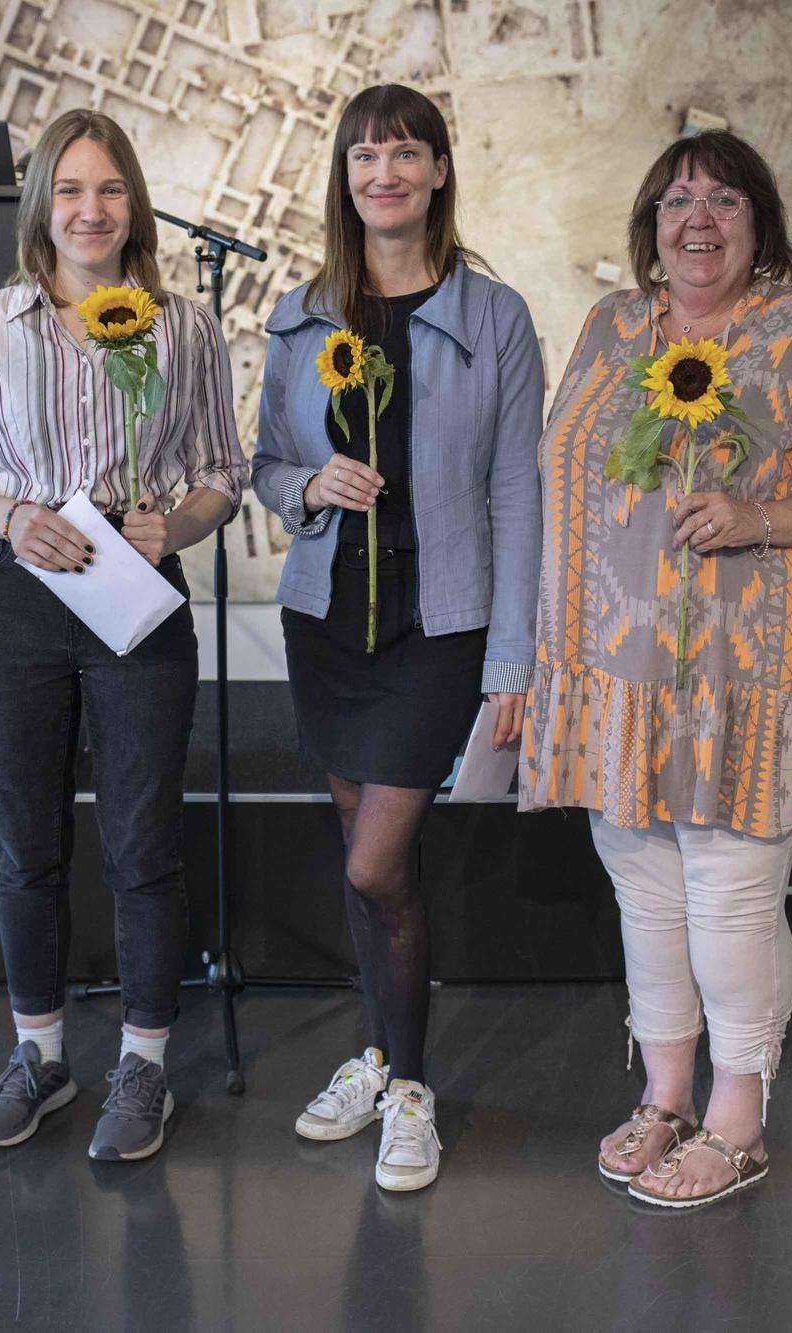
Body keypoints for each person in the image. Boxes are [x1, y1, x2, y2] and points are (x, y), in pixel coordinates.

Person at [519, 131, 792, 1210]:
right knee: (644, 893)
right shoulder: (609, 326)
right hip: (615, 676)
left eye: (723, 202)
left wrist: (757, 515)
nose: (696, 220)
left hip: (751, 674)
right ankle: (665, 1092)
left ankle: (738, 1115)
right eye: (676, 200)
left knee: (729, 899)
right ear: (648, 224)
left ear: (757, 222)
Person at [0, 109, 247, 1163]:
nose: (89, 209)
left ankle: (141, 1066)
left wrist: (176, 522)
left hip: (134, 600)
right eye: (68, 189)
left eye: (107, 190)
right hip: (14, 600)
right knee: (25, 846)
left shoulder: (181, 327)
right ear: (39, 206)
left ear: (132, 204)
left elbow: (221, 476)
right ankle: (41, 1057)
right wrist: (11, 517)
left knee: (141, 846)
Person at [251, 83, 544, 1192]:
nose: (384, 172)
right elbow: (264, 465)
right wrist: (305, 482)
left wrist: (514, 658)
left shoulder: (493, 315)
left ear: (434, 172)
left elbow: (519, 493)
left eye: (405, 152)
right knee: (366, 864)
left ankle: (407, 1085)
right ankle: (383, 1058)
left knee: (376, 862)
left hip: (439, 621)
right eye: (364, 154)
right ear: (344, 175)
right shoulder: (300, 312)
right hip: (328, 620)